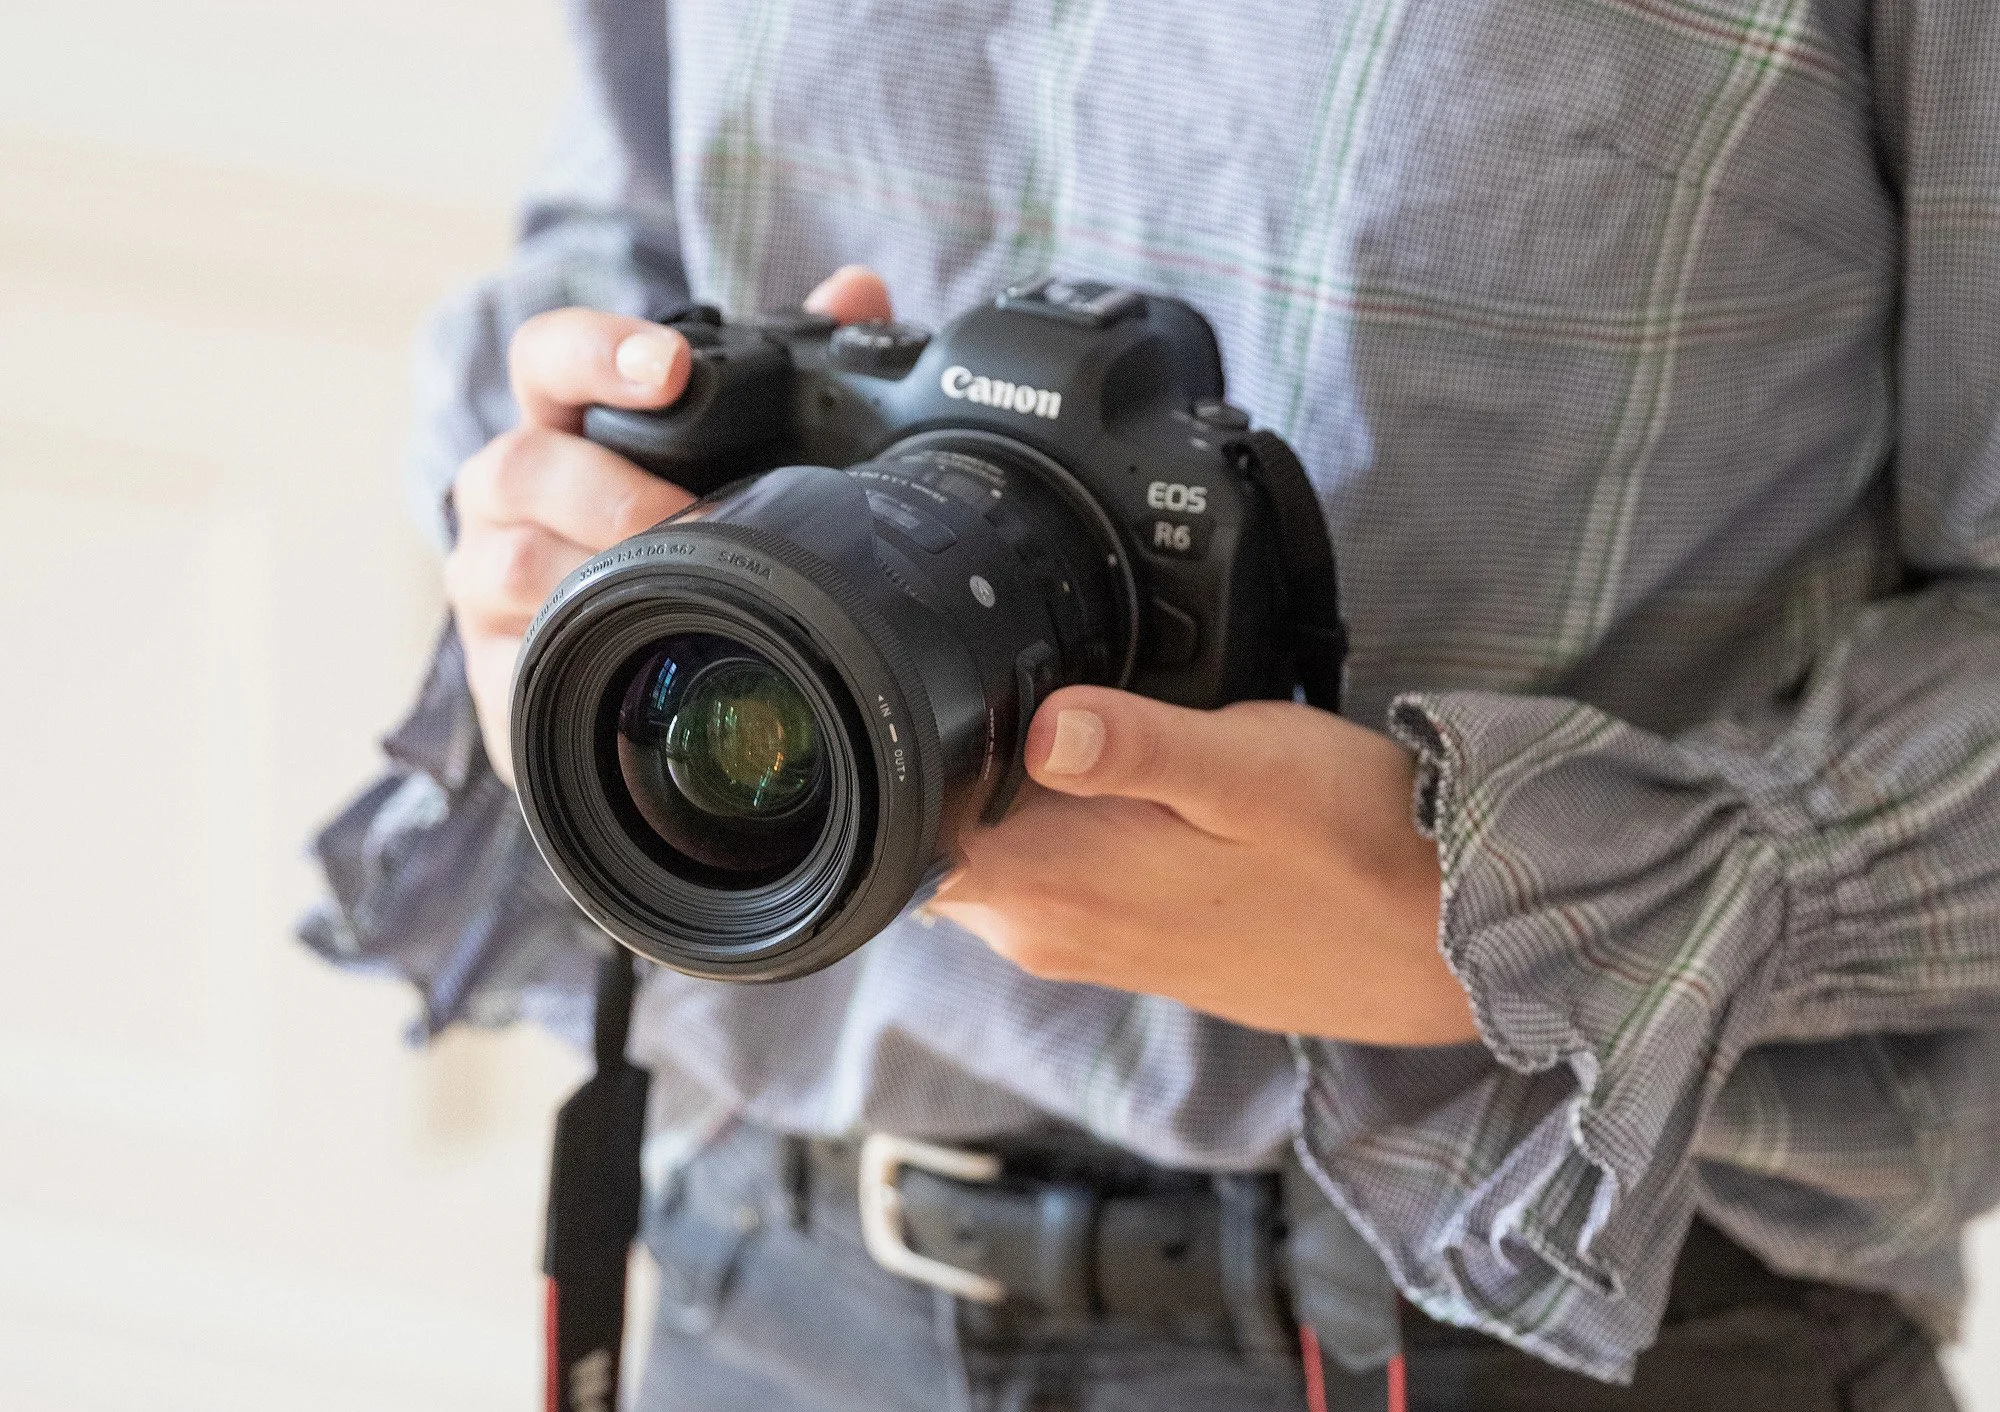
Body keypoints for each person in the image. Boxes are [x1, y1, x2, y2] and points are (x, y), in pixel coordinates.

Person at [304, 1, 2000, 1407]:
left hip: (1546, 1319)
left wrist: (1510, 916)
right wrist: (558, 510)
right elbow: (617, 229)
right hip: (782, 1282)